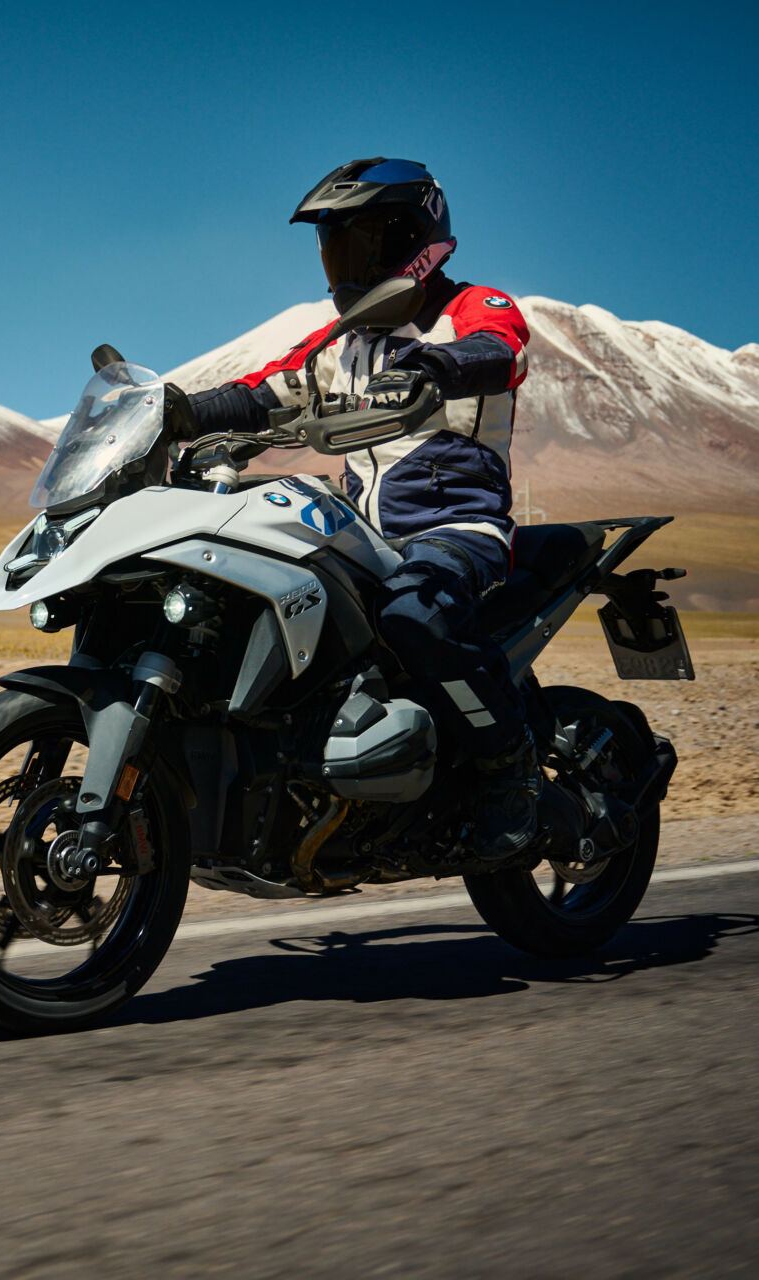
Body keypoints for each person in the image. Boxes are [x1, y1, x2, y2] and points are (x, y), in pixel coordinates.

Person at [186, 157, 539, 860]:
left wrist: (437, 366)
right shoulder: (338, 348)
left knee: (412, 614)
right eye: (334, 247)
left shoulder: (472, 309)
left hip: (455, 531)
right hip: (364, 537)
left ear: (414, 239)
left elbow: (501, 348)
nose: (344, 265)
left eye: (361, 243)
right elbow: (263, 391)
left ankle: (510, 769)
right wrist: (177, 411)